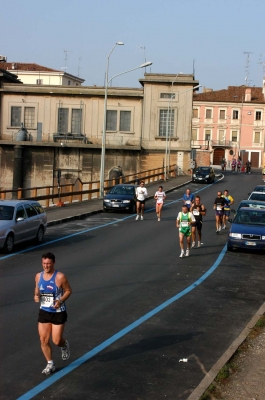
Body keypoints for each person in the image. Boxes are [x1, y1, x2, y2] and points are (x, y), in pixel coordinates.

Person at [34, 252, 72, 375]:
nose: (46, 266)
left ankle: (64, 344)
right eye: (44, 263)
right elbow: (37, 289)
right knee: (43, 340)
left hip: (58, 312)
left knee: (56, 341)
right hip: (44, 311)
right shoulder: (38, 276)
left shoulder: (60, 277)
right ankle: (50, 363)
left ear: (53, 263)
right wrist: (36, 295)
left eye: (49, 263)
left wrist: (60, 301)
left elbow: (68, 290)